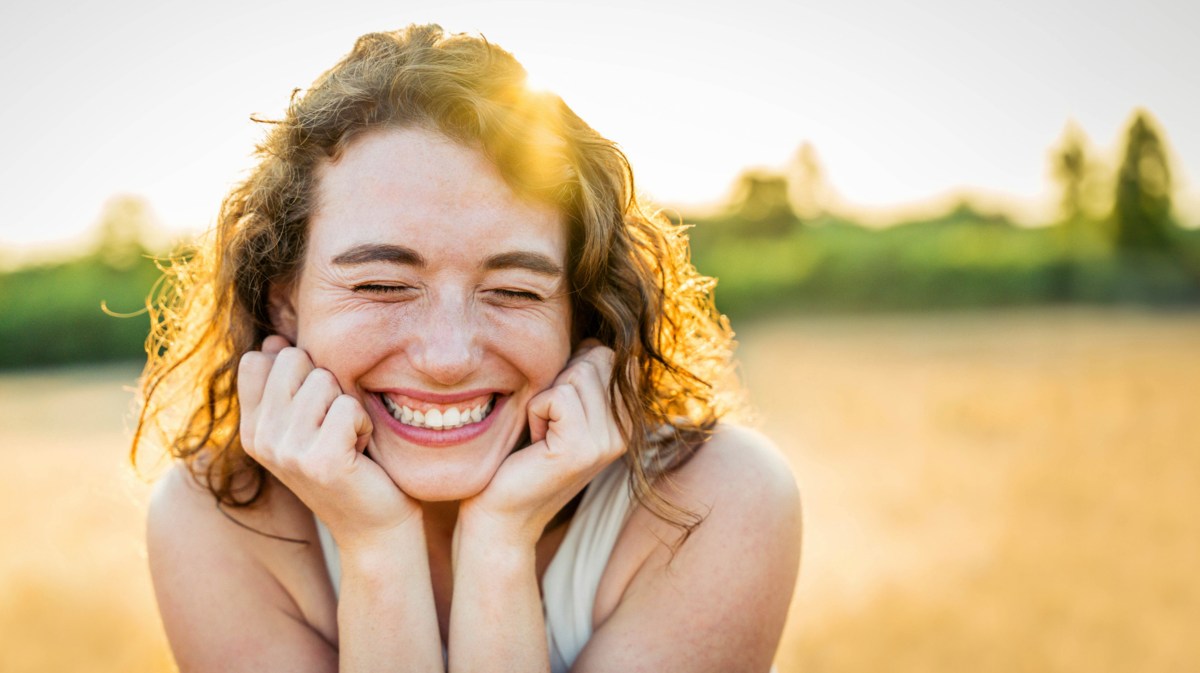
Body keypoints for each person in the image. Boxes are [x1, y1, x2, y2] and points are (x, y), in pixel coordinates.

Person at [135, 23, 801, 672]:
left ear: (582, 309)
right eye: (384, 284)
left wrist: (501, 542)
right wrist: (376, 547)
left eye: (513, 290)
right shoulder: (215, 522)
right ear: (284, 298)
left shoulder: (713, 503)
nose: (447, 355)